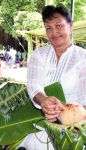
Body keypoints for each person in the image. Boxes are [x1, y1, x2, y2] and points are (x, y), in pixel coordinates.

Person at [19, 5, 86, 150]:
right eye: (48, 28)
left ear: (70, 26)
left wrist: (68, 114)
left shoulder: (83, 58)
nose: (54, 32)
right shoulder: (39, 55)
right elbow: (33, 86)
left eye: (59, 26)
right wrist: (43, 101)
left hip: (73, 129)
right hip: (39, 122)